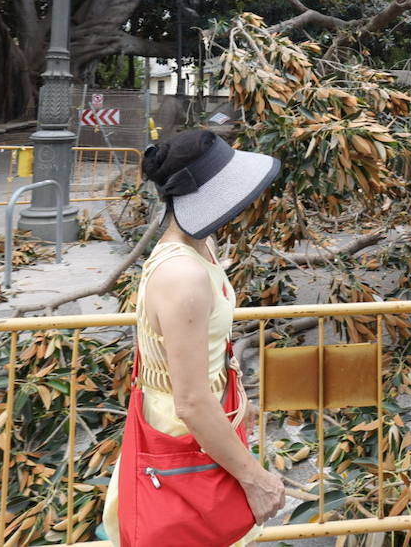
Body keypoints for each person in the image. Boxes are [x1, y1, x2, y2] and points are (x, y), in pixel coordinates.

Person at [102, 129, 287, 546]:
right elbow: (189, 400)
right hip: (184, 429)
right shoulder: (182, 274)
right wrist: (256, 478)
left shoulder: (202, 245)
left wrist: (236, 401)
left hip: (205, 419)